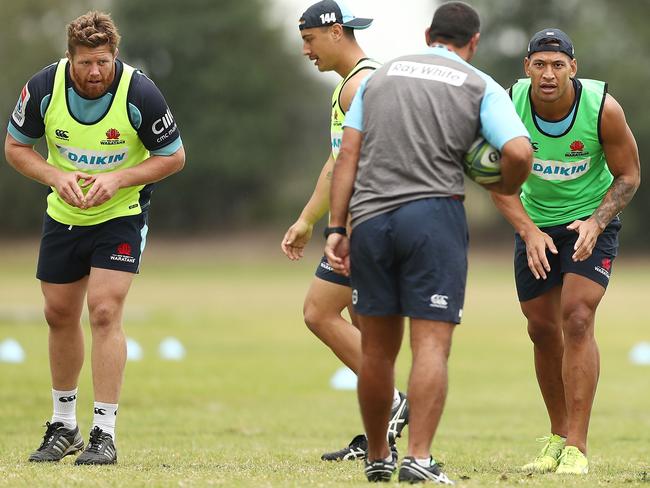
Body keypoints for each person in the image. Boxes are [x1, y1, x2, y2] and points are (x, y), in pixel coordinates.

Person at [324, 2, 532, 483]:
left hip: (371, 218)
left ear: (427, 34)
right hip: (432, 217)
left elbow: (347, 154)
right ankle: (417, 459)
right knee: (431, 346)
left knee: (376, 350)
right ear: (473, 42)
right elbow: (519, 150)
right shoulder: (479, 83)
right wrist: (505, 185)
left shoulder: (379, 77)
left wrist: (338, 228)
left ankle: (378, 457)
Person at [4, 11, 185, 465]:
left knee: (104, 310)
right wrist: (53, 175)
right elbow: (15, 147)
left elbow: (174, 157)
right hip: (64, 216)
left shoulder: (139, 91)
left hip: (121, 215)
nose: (94, 72)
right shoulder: (44, 89)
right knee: (58, 313)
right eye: (85, 62)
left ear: (114, 56)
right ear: (70, 58)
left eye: (102, 61)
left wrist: (120, 178)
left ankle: (104, 432)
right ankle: (64, 425)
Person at [491, 29, 640, 475]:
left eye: (558, 64)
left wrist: (596, 222)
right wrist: (529, 231)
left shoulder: (602, 109)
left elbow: (629, 176)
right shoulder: (508, 105)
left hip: (588, 221)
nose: (549, 74)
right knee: (540, 328)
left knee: (576, 317)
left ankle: (577, 446)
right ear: (527, 68)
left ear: (573, 68)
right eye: (540, 64)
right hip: (534, 223)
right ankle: (556, 438)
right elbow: (493, 177)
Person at [280, 0, 409, 461]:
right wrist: (307, 219)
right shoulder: (349, 87)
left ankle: (394, 403)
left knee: (318, 312)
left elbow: (380, 162)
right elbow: (338, 161)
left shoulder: (361, 88)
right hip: (366, 224)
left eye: (309, 40)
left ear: (335, 32)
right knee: (365, 330)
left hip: (372, 226)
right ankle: (380, 440)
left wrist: (354, 226)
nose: (305, 51)